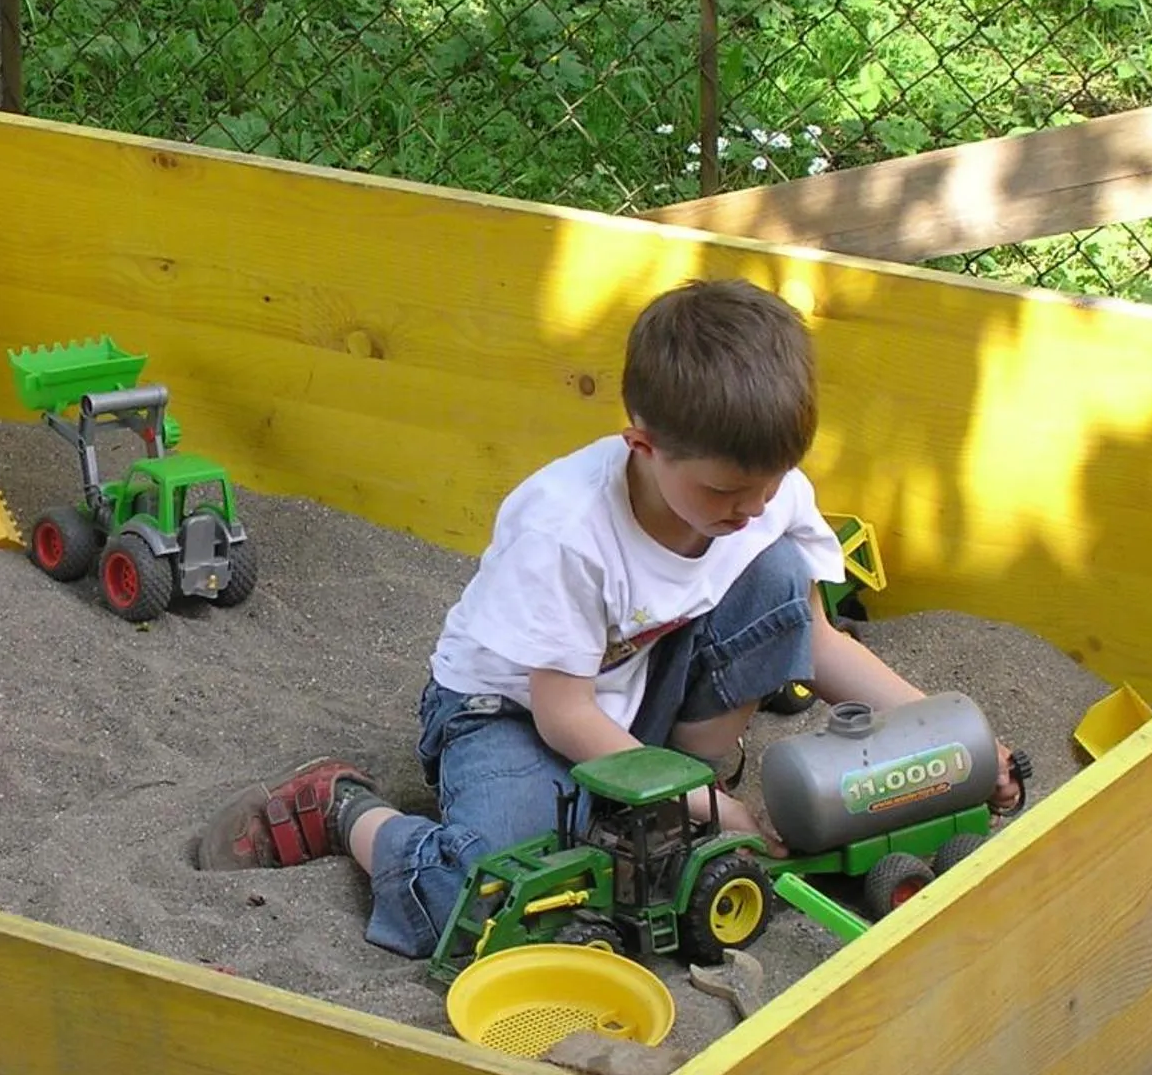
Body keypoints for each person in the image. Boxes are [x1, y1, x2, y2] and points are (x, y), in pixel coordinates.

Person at [191, 275, 1022, 960]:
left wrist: (949, 738)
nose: (751, 507)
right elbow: (563, 712)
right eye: (725, 491)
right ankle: (345, 811)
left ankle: (679, 787)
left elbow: (810, 636)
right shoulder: (566, 530)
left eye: (769, 484)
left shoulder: (763, 500)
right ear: (642, 444)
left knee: (774, 574)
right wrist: (710, 811)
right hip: (512, 713)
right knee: (503, 895)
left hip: (636, 687)